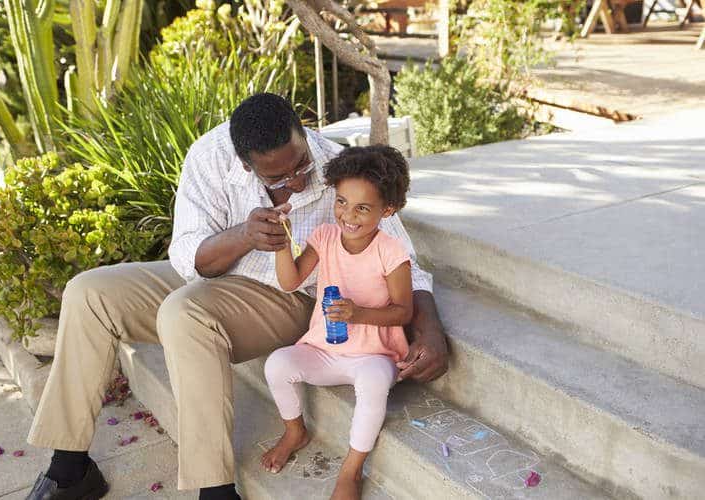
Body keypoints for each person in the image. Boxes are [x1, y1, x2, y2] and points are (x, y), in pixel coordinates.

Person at [24, 93, 448, 500]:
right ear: (246, 165)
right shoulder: (209, 157)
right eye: (278, 177)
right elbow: (190, 257)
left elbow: (405, 259)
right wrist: (243, 236)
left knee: (183, 313)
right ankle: (70, 468)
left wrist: (428, 330)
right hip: (214, 276)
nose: (298, 182)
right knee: (88, 293)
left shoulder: (337, 164)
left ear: (303, 134)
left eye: (300, 164)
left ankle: (215, 489)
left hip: (288, 295)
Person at [262, 145, 414, 500]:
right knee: (277, 364)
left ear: (387, 210)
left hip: (373, 356)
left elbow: (404, 311)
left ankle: (351, 470)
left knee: (375, 380)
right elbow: (290, 281)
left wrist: (358, 314)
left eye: (363, 208)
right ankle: (294, 431)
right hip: (325, 349)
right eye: (342, 201)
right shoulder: (326, 237)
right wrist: (282, 243)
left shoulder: (391, 252)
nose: (348, 215)